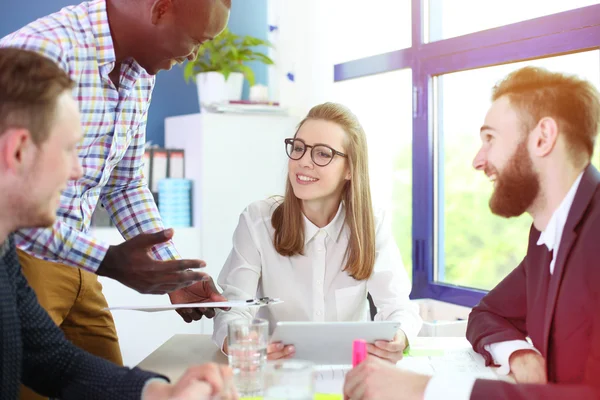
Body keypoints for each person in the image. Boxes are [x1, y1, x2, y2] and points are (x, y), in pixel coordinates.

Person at [0, 1, 230, 396]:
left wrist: (169, 271)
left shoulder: (141, 68)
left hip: (81, 258)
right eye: (195, 40)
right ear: (160, 10)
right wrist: (107, 260)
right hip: (24, 255)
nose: (194, 55)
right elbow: (8, 192)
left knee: (104, 377)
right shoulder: (43, 52)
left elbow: (123, 183)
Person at [342, 66, 600, 399]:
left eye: (490, 138)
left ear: (543, 137)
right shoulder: (547, 237)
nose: (478, 160)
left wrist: (428, 389)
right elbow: (488, 313)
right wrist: (519, 354)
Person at [212, 102, 422, 361]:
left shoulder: (371, 224)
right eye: (298, 148)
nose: (303, 162)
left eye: (322, 154)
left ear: (349, 169)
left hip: (350, 375)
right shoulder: (258, 220)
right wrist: (242, 344)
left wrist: (399, 336)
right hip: (278, 374)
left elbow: (398, 306)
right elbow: (232, 309)